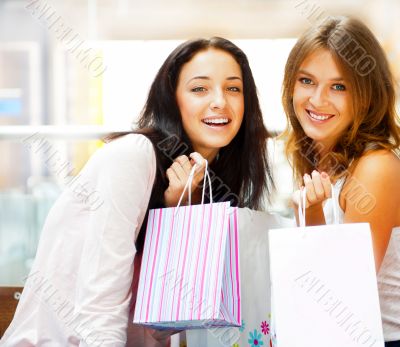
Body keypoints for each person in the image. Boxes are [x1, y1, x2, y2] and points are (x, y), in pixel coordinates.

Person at [0, 37, 273, 347]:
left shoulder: (209, 185)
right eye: (199, 88)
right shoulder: (134, 154)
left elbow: (164, 325)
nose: (220, 101)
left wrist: (178, 213)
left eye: (233, 88)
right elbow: (99, 303)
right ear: (172, 99)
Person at [282, 16, 400, 345]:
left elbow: (343, 293)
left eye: (339, 86)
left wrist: (313, 212)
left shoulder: (376, 167)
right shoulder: (322, 158)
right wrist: (313, 210)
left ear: (367, 95)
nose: (318, 99)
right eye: (307, 80)